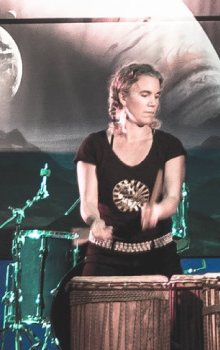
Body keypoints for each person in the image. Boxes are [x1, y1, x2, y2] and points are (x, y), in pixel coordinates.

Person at [74, 62, 186, 277]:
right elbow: (87, 202)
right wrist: (94, 221)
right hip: (106, 255)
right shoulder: (93, 145)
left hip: (158, 255)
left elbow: (173, 198)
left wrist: (158, 211)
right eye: (145, 95)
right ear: (123, 97)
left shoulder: (170, 146)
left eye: (156, 95)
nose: (153, 103)